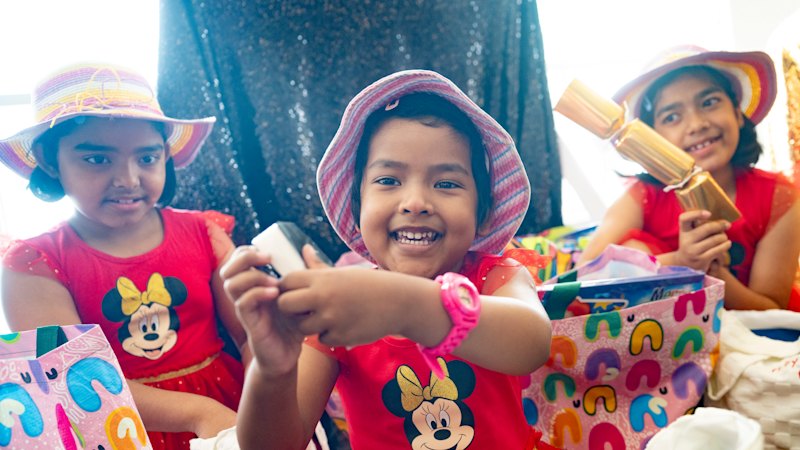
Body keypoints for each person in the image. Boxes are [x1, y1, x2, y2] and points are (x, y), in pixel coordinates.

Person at [221, 70, 554, 450]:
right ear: (357, 208)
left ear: (484, 214)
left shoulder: (494, 277)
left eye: (446, 184)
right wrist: (271, 370)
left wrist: (403, 306)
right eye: (389, 181)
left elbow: (531, 342)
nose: (415, 202)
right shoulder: (338, 311)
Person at [0, 63, 248, 449]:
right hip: (122, 428)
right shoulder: (33, 265)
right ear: (50, 160)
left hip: (233, 407)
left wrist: (268, 398)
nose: (128, 180)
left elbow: (251, 334)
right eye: (98, 159)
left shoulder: (205, 232)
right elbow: (75, 379)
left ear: (165, 155)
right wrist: (198, 413)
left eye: (147, 158)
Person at [580, 46, 800, 311]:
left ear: (737, 113)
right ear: (653, 138)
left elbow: (772, 308)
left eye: (709, 102)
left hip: (754, 323)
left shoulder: (778, 196)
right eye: (672, 117)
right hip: (661, 328)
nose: (697, 125)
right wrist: (682, 262)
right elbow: (586, 274)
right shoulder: (643, 197)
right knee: (632, 249)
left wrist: (714, 273)